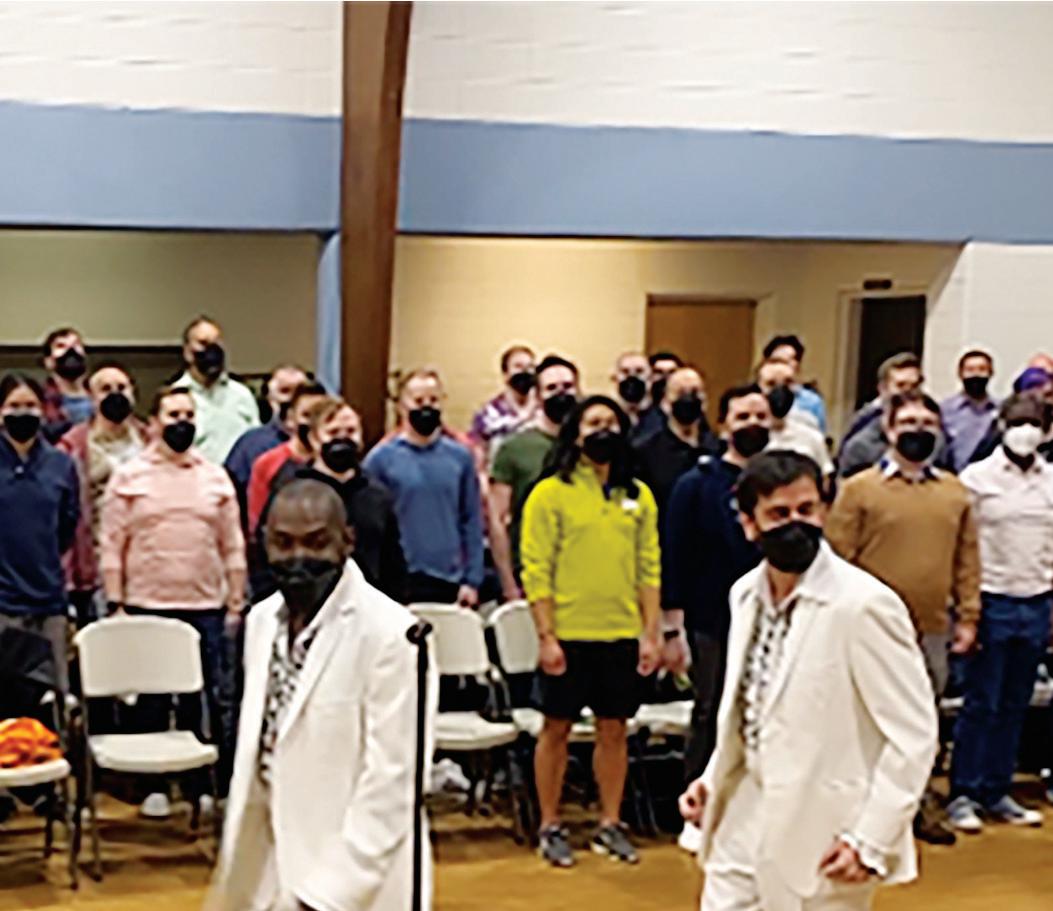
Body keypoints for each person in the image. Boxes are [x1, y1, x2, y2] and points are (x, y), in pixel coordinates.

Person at [679, 451, 938, 911]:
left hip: (825, 828)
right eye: (779, 514)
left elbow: (913, 735)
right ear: (749, 524)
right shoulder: (744, 595)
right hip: (743, 809)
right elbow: (751, 706)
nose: (796, 524)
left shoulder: (864, 605)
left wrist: (871, 839)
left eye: (807, 509)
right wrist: (712, 779)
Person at [205, 480, 432, 911]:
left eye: (315, 542)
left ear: (347, 541)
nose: (298, 557)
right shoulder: (260, 621)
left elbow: (393, 781)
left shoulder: (392, 634)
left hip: (354, 879)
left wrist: (329, 894)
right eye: (283, 543)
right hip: (269, 865)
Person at [826, 390, 980, 845]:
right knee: (864, 718)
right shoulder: (859, 489)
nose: (918, 431)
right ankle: (859, 811)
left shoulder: (955, 492)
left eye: (927, 424)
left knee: (923, 721)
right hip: (870, 628)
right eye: (909, 423)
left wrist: (968, 616)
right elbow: (836, 559)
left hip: (931, 626)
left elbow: (967, 560)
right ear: (889, 430)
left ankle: (918, 804)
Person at [520, 396, 661, 867]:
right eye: (593, 423)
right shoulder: (549, 493)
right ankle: (550, 824)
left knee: (614, 730)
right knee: (556, 729)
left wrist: (651, 633)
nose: (603, 431)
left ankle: (610, 823)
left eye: (611, 423)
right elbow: (536, 567)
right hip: (567, 632)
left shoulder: (638, 495)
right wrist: (546, 636)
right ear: (575, 435)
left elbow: (649, 568)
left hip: (620, 631)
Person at [101, 385, 246, 814]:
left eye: (188, 415)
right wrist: (115, 602)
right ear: (154, 423)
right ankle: (153, 788)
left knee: (201, 700)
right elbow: (112, 543)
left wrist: (236, 598)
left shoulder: (215, 477)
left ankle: (200, 786)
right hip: (146, 603)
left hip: (205, 606)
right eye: (172, 415)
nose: (181, 423)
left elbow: (232, 543)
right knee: (151, 701)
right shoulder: (129, 476)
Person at [664, 384, 771, 852]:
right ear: (724, 425)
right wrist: (673, 625)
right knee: (711, 711)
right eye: (743, 416)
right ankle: (698, 809)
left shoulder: (778, 482)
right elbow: (675, 557)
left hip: (770, 616)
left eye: (761, 416)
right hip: (710, 618)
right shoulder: (697, 484)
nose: (753, 424)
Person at [946, 395, 1050, 832]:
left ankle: (997, 789)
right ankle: (964, 792)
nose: (1026, 430)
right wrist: (966, 610)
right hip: (992, 599)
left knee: (1015, 703)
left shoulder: (1050, 480)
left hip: (1038, 599)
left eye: (1035, 423)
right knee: (981, 703)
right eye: (1018, 421)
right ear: (1003, 425)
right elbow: (962, 545)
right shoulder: (976, 478)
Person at [260, 399, 408, 603]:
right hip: (304, 603)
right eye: (333, 432)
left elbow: (392, 560)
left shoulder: (376, 494)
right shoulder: (290, 490)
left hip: (367, 606)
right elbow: (265, 550)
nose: (342, 438)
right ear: (314, 438)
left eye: (351, 431)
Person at [364, 370, 484, 607]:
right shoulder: (380, 460)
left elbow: (471, 519)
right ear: (402, 406)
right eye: (418, 401)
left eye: (433, 400)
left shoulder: (460, 457)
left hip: (450, 579)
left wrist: (472, 579)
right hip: (401, 578)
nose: (427, 407)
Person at [0, 373, 80, 693]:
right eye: (14, 406)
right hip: (3, 602)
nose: (23, 413)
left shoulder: (61, 464)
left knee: (52, 697)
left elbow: (66, 527)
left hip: (48, 600)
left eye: (31, 405)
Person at [56, 364, 148, 626]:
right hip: (94, 560)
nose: (115, 394)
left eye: (122, 388)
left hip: (145, 561)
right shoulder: (72, 447)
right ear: (91, 397)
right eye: (105, 389)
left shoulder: (151, 441)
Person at [489, 355, 579, 602]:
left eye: (568, 387)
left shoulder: (589, 449)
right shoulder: (514, 448)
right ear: (538, 396)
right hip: (529, 575)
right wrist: (508, 584)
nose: (561, 394)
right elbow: (498, 521)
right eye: (551, 388)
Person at [632, 366, 720, 518]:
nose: (688, 398)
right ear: (666, 403)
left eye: (695, 392)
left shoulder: (719, 448)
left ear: (705, 401)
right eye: (680, 393)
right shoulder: (644, 451)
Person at [175, 315, 260, 464]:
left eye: (216, 344)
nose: (211, 350)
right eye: (203, 343)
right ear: (187, 352)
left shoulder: (242, 394)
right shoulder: (175, 396)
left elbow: (256, 441)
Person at [246, 382, 328, 535]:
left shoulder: (334, 464)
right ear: (291, 418)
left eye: (318, 415)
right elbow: (256, 522)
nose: (312, 422)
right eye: (306, 415)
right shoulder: (268, 463)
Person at [225, 363, 310, 506]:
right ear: (270, 398)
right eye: (285, 391)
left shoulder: (325, 439)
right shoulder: (252, 444)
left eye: (300, 392)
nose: (292, 399)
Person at [838, 353, 925, 478]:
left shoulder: (934, 436)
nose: (908, 392)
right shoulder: (861, 441)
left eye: (914, 386)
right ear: (882, 389)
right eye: (900, 385)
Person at [757, 359, 834, 479]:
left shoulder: (810, 430)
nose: (780, 389)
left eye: (788, 382)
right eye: (771, 384)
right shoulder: (748, 432)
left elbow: (825, 477)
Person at [468, 344, 538, 463]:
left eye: (530, 367)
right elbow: (477, 456)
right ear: (505, 374)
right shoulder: (487, 413)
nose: (525, 371)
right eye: (518, 366)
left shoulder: (544, 409)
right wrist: (523, 417)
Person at [940, 350, 999, 472]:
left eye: (982, 369)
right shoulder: (945, 410)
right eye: (970, 370)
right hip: (954, 476)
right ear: (960, 374)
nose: (976, 374)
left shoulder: (1001, 409)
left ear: (991, 373)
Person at [763, 333, 828, 433]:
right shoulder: (753, 397)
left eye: (787, 360)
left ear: (797, 365)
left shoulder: (812, 401)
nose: (782, 365)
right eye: (776, 360)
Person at [40, 327, 93, 442]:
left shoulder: (100, 395)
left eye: (76, 344)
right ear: (48, 361)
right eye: (61, 346)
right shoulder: (40, 400)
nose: (71, 350)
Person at [637, 351, 684, 441]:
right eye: (658, 372)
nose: (665, 377)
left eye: (672, 372)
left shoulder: (690, 414)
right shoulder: (637, 412)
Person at [612, 351, 654, 440]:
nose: (632, 376)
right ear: (615, 378)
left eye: (639, 371)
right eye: (625, 371)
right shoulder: (609, 417)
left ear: (651, 377)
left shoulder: (663, 417)